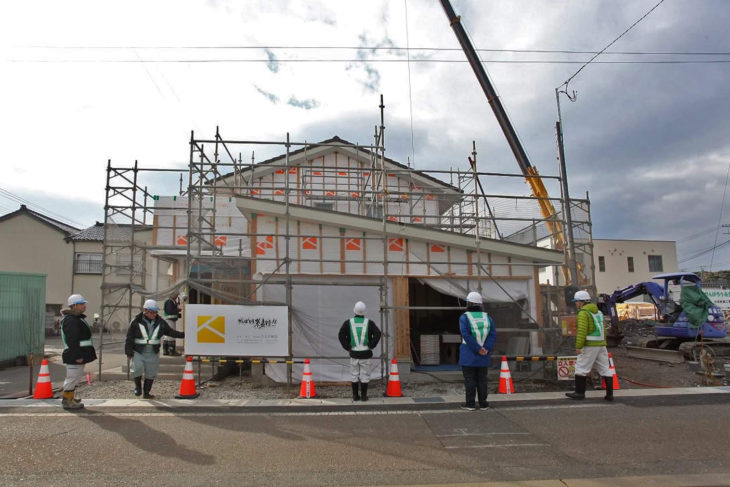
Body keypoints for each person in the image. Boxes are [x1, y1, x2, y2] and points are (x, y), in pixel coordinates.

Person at [125, 299, 185, 399]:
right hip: (138, 351)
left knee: (151, 372)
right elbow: (129, 337)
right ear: (145, 311)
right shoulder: (136, 321)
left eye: (155, 312)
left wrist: (184, 335)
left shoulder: (160, 322)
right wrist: (128, 352)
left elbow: (171, 332)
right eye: (152, 312)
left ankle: (146, 393)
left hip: (152, 352)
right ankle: (138, 388)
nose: (154, 314)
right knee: (137, 368)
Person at [566, 290, 613, 401]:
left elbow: (582, 331)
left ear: (582, 302)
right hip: (601, 344)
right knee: (605, 368)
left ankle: (579, 393)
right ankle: (610, 395)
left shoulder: (583, 313)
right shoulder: (599, 312)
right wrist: (603, 342)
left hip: (590, 344)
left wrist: (578, 346)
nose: (576, 304)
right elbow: (604, 330)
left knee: (581, 368)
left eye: (577, 301)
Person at [458, 291, 497, 411]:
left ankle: (470, 404)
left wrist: (477, 349)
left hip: (469, 353)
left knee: (470, 379)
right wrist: (485, 348)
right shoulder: (488, 318)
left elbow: (466, 335)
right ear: (480, 304)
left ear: (468, 303)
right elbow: (492, 334)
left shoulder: (464, 317)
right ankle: (483, 403)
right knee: (482, 379)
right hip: (484, 354)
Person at [338, 301, 381, 402]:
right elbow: (378, 333)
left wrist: (348, 347)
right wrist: (371, 345)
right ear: (364, 312)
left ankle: (355, 396)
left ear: (355, 311)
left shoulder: (348, 323)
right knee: (365, 375)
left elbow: (341, 335)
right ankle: (364, 396)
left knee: (354, 375)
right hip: (365, 353)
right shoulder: (369, 323)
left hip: (354, 353)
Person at [60, 294, 97, 410]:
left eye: (84, 304)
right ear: (74, 305)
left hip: (79, 354)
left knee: (75, 378)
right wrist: (78, 355)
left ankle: (70, 398)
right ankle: (67, 401)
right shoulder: (71, 320)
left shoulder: (75, 318)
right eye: (82, 304)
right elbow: (72, 340)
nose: (84, 306)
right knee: (72, 378)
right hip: (75, 355)